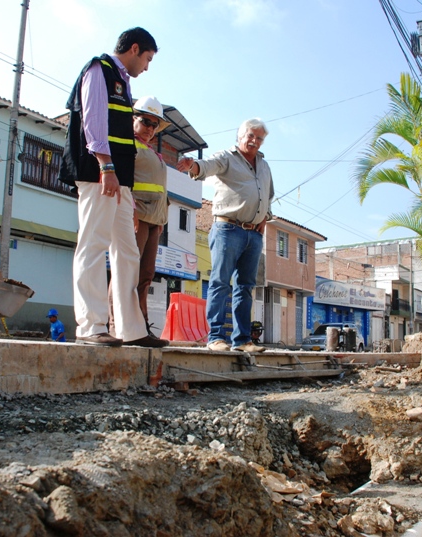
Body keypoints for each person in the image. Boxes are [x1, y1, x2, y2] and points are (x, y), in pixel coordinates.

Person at [58, 27, 168, 348]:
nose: (147, 66)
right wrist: (105, 166)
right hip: (99, 174)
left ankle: (130, 329)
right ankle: (91, 326)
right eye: (147, 58)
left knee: (128, 252)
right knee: (93, 244)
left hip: (120, 183)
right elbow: (93, 122)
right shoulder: (99, 70)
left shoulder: (122, 81)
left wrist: (128, 199)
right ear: (134, 49)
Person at [177, 118, 274, 353]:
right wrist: (192, 165)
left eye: (259, 138)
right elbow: (206, 166)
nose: (254, 141)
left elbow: (268, 195)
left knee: (245, 287)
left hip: (254, 235)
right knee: (220, 282)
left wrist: (265, 217)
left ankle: (242, 341)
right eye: (250, 135)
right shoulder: (226, 157)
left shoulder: (264, 166)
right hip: (228, 229)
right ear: (240, 135)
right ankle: (216, 338)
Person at [109, 96, 170, 338]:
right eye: (146, 121)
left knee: (145, 276)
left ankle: (140, 327)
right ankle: (116, 325)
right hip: (136, 216)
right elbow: (123, 181)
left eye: (154, 125)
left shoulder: (151, 152)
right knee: (127, 272)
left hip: (154, 220)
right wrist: (131, 210)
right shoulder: (128, 146)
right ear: (133, 119)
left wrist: (162, 219)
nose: (150, 129)